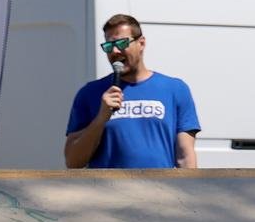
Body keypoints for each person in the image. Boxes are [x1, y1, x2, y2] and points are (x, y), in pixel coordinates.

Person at [64, 14, 200, 169]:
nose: (115, 51)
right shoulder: (89, 93)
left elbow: (185, 156)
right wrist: (101, 119)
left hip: (161, 190)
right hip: (107, 191)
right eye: (108, 46)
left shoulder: (175, 89)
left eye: (121, 43)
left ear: (141, 43)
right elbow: (73, 162)